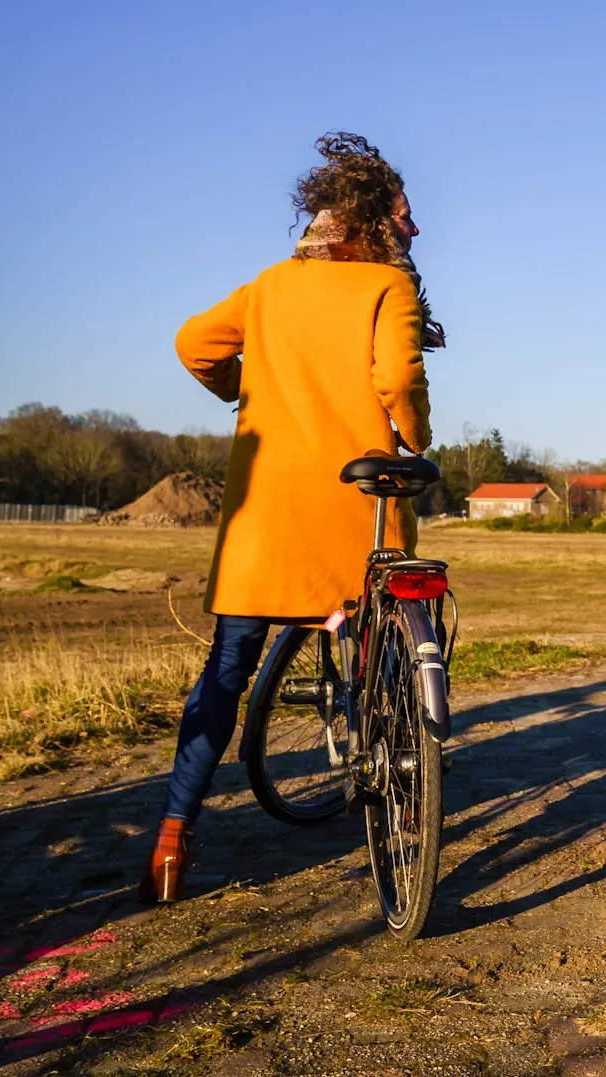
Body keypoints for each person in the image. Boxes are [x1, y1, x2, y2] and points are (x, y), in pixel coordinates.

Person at [140, 132, 437, 903]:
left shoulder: (270, 285)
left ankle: (172, 840)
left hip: (267, 516)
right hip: (354, 507)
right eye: (405, 213)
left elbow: (191, 343)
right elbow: (400, 375)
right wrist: (416, 438)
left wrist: (248, 384)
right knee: (379, 652)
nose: (415, 228)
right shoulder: (387, 287)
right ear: (375, 218)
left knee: (225, 673)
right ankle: (394, 787)